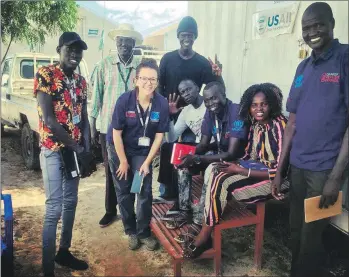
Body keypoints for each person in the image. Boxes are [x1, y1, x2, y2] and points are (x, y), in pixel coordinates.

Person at [271, 3, 348, 277]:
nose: (312, 32)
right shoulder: (303, 67)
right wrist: (280, 170)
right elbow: (291, 122)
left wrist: (336, 177)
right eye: (307, 27)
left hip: (324, 171)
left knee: (310, 237)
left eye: (318, 25)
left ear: (331, 24)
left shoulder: (344, 58)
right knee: (294, 232)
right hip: (299, 167)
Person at [180, 83, 288, 258]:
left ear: (272, 104)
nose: (259, 109)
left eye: (264, 104)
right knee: (216, 169)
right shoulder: (256, 124)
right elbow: (249, 156)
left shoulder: (279, 125)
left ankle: (204, 234)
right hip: (255, 172)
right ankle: (205, 233)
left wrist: (241, 170)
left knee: (221, 183)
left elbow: (280, 172)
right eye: (254, 105)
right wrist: (236, 165)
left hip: (276, 182)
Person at [34, 32, 94, 277]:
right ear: (59, 49)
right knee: (54, 209)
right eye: (70, 49)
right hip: (53, 150)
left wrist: (88, 150)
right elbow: (49, 120)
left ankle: (64, 252)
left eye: (79, 50)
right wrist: (77, 147)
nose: (75, 54)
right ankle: (48, 268)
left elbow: (85, 118)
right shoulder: (45, 75)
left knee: (71, 203)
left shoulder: (81, 82)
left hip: (75, 153)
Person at [162, 81, 248, 231]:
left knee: (211, 171)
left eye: (214, 98)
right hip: (219, 153)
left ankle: (199, 219)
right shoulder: (211, 112)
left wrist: (197, 158)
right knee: (183, 167)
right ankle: (184, 211)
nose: (210, 103)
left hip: (237, 161)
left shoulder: (236, 111)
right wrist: (187, 157)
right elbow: (203, 144)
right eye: (207, 100)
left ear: (224, 95)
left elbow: (231, 153)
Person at [156, 16, 223, 200]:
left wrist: (218, 75)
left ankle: (185, 195)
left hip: (194, 115)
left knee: (185, 155)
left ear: (195, 38)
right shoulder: (168, 59)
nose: (187, 38)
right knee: (167, 149)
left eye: (191, 35)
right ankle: (166, 193)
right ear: (178, 36)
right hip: (170, 113)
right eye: (184, 34)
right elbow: (160, 86)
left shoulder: (201, 63)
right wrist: (164, 112)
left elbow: (215, 88)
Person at [106, 59, 169, 251]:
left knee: (143, 190)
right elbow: (116, 133)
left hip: (142, 151)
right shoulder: (124, 101)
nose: (148, 83)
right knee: (124, 191)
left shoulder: (161, 103)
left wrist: (148, 162)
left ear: (157, 82)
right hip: (120, 148)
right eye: (144, 78)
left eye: (153, 79)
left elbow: (159, 136)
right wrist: (123, 161)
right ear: (136, 79)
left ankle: (143, 232)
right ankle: (130, 230)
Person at [89, 23, 143, 228]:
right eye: (119, 40)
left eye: (127, 41)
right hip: (109, 130)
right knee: (113, 172)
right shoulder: (104, 65)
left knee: (136, 170)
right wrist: (93, 125)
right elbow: (96, 98)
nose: (123, 44)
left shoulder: (140, 67)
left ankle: (134, 211)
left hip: (134, 130)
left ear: (133, 43)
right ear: (116, 42)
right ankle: (111, 211)